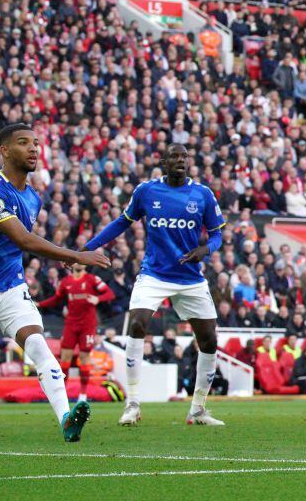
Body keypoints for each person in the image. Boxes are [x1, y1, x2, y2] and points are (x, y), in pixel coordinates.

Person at [0, 124, 109, 442]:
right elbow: (23, 239)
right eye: (23, 143)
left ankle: (66, 420)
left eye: (36, 143)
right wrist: (75, 254)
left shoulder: (33, 197)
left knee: (38, 345)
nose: (33, 149)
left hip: (10, 288)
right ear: (4, 150)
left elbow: (21, 244)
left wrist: (63, 255)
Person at [85, 144, 227, 426]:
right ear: (164, 162)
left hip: (190, 277)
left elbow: (217, 235)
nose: (180, 161)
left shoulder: (203, 194)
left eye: (185, 157)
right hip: (154, 274)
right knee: (137, 323)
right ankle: (133, 403)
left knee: (209, 339)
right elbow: (121, 223)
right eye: (175, 156)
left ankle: (197, 409)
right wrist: (88, 248)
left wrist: (205, 250)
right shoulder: (146, 191)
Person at [37, 264, 114, 402]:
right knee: (65, 357)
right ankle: (62, 394)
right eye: (75, 261)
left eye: (80, 260)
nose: (78, 263)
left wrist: (98, 299)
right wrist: (40, 304)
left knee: (84, 357)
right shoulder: (66, 282)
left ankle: (83, 395)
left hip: (87, 325)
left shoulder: (92, 279)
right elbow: (56, 299)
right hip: (71, 324)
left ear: (85, 264)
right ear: (72, 264)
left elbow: (110, 294)